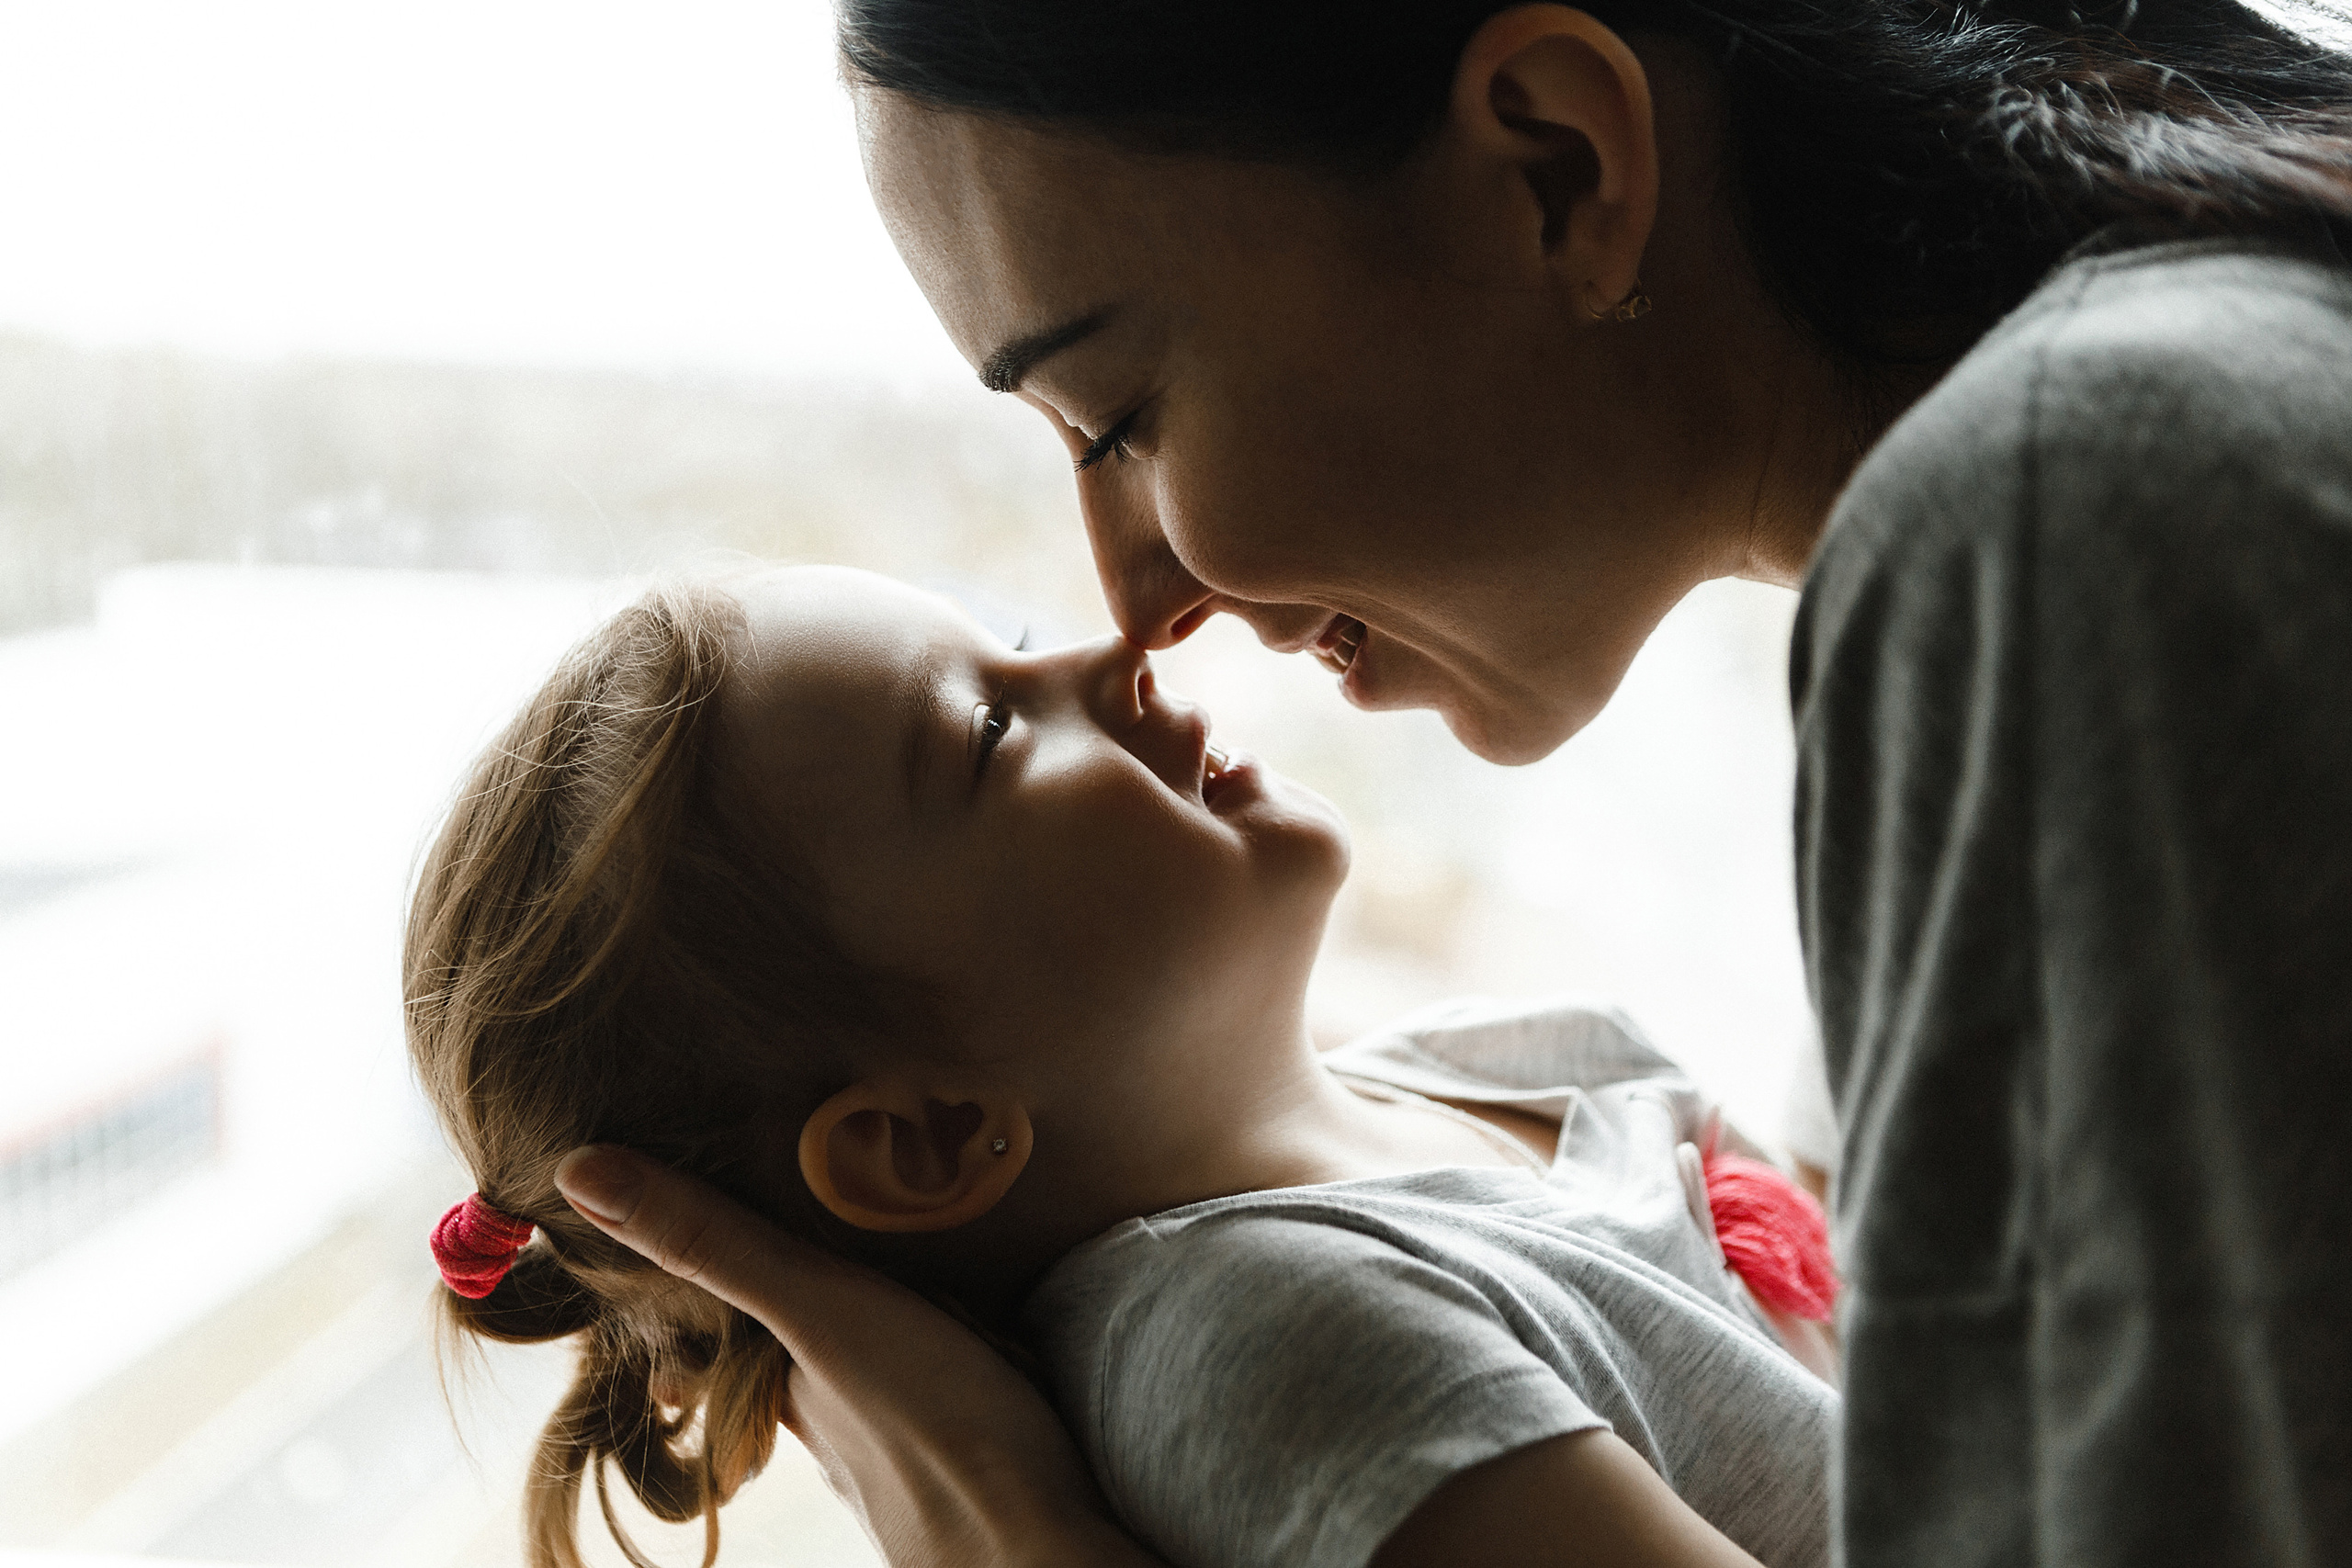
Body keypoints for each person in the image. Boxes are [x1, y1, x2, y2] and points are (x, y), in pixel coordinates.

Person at [550, 3, 2352, 1566]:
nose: (1139, 606)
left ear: (1553, 168)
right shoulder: (2143, 446)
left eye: (1118, 417)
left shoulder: (2078, 522)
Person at [410, 565, 1840, 1568]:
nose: (1110, 653)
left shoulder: (1477, 1066)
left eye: (1009, 636)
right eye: (985, 729)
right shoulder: (1272, 1346)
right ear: (926, 1134)